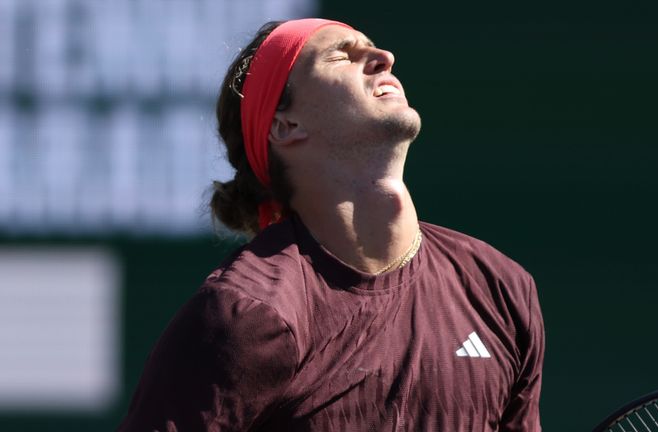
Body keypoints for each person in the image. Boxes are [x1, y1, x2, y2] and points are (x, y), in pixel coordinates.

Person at [118, 18, 544, 432]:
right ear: (286, 125)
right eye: (342, 56)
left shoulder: (501, 287)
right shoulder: (248, 317)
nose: (384, 57)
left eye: (372, 47)